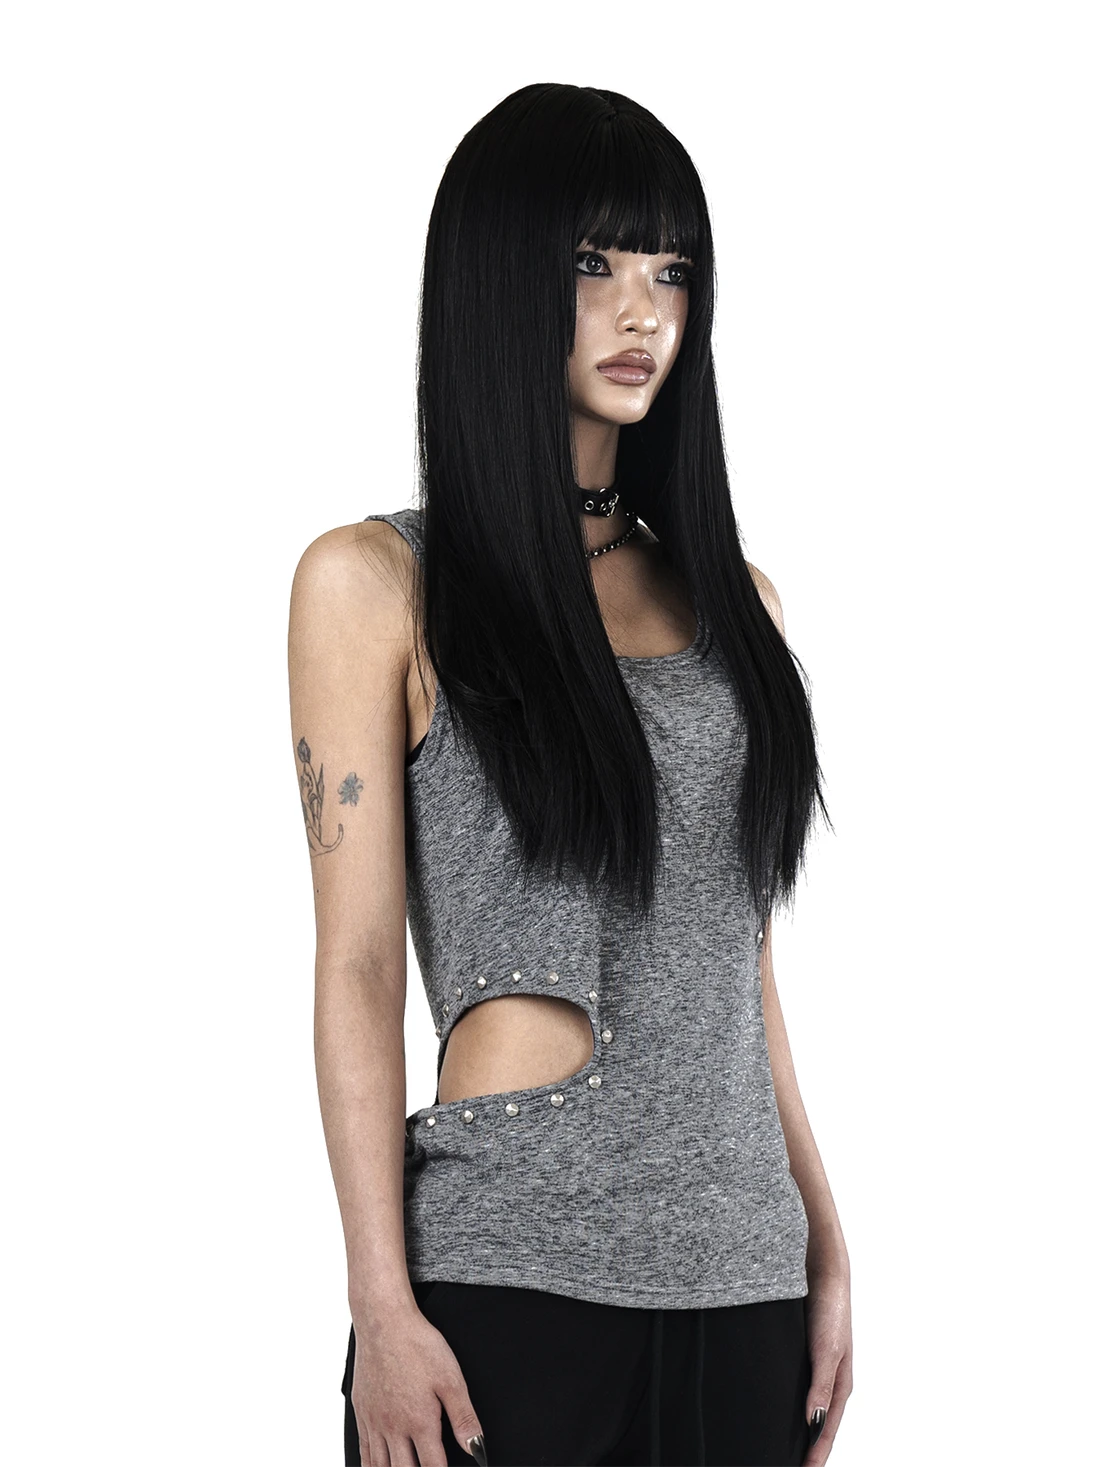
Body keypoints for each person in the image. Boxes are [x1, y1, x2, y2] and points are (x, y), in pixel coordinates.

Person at [288, 83, 853, 1467]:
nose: (642, 311)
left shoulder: (739, 606)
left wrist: (825, 1240)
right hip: (506, 1276)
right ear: (499, 281)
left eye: (672, 269)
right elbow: (355, 965)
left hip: (742, 1279)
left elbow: (740, 957)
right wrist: (380, 1300)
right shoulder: (376, 584)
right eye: (595, 263)